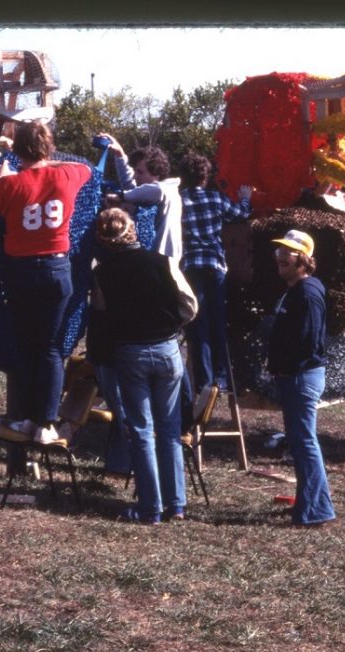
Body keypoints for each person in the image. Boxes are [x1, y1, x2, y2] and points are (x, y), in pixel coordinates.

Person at [0, 120, 91, 445]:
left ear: (15, 151)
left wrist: (3, 178)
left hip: (21, 272)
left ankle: (23, 417)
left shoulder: (9, 184)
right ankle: (45, 422)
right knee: (50, 350)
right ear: (48, 147)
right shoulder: (68, 175)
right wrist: (45, 160)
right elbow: (80, 166)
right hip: (58, 271)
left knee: (26, 347)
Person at [87, 207, 198, 524]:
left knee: (141, 430)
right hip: (167, 350)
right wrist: (171, 324)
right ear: (133, 230)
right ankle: (176, 504)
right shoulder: (162, 261)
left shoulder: (103, 273)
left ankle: (150, 507)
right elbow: (190, 305)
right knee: (170, 429)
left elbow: (101, 315)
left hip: (131, 353)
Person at [267, 230, 336, 527]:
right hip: (294, 376)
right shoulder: (295, 290)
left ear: (305, 260)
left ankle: (317, 510)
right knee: (300, 442)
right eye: (280, 251)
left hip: (301, 377)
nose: (281, 256)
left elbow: (309, 343)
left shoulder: (307, 294)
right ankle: (310, 504)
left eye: (290, 252)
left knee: (305, 442)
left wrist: (286, 368)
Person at [179, 151, 253, 392]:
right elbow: (242, 214)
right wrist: (245, 198)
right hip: (215, 265)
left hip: (191, 266)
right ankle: (221, 379)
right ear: (205, 176)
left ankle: (203, 381)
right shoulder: (215, 198)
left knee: (198, 324)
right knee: (218, 323)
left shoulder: (178, 201)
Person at [93, 132, 182, 262]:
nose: (135, 176)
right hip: (153, 260)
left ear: (156, 173)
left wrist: (120, 196)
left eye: (140, 172)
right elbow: (132, 186)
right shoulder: (149, 191)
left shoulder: (168, 189)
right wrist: (120, 155)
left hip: (165, 262)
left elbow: (152, 190)